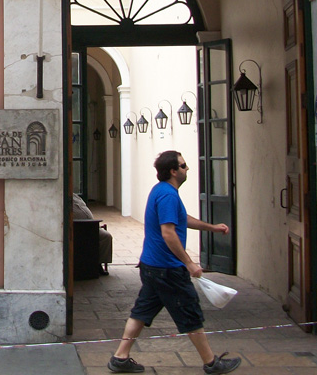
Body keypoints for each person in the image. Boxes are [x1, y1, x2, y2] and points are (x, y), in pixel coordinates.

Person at [107, 151, 241, 374]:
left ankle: (120, 357)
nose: (187, 168)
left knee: (141, 312)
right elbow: (168, 232)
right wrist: (189, 263)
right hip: (167, 269)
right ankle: (211, 363)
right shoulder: (169, 195)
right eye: (183, 165)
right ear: (173, 171)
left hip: (151, 266)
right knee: (190, 314)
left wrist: (212, 227)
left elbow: (182, 219)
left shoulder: (161, 191)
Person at [71, 194, 112, 275]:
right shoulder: (61, 199)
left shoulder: (75, 196)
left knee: (106, 236)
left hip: (92, 226)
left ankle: (99, 263)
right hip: (76, 228)